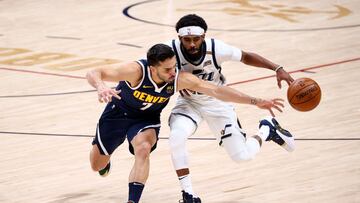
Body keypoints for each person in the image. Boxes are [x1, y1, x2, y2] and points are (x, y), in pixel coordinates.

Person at [87, 43, 288, 203]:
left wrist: (256, 101)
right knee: (97, 165)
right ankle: (106, 158)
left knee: (144, 148)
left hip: (146, 120)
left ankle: (132, 200)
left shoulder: (179, 78)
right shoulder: (135, 71)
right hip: (118, 113)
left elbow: (217, 91)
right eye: (167, 69)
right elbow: (94, 72)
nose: (173, 72)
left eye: (174, 67)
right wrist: (101, 86)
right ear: (152, 68)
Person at [166, 14, 295, 202]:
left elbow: (246, 57)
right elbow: (149, 68)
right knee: (177, 136)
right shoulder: (169, 51)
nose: (192, 44)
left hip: (218, 102)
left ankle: (267, 129)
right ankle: (188, 195)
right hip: (189, 104)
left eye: (196, 39)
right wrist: (174, 80)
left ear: (203, 37)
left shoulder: (216, 49)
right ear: (180, 38)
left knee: (242, 157)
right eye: (187, 40)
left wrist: (277, 68)